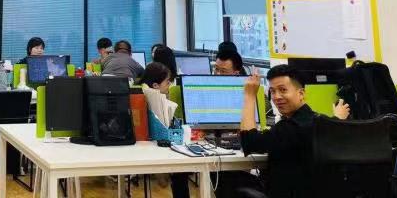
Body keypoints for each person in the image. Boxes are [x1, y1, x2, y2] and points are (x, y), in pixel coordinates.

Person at [216, 64, 351, 198]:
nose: (277, 97)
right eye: (273, 91)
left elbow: (249, 142)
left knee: (223, 178)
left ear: (301, 93)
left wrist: (249, 95)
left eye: (283, 90)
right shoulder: (322, 121)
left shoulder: (289, 127)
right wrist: (337, 119)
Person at [142, 63, 190, 198]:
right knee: (181, 171)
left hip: (160, 144)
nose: (170, 86)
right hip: (155, 146)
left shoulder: (161, 100)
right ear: (155, 86)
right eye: (168, 82)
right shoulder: (150, 101)